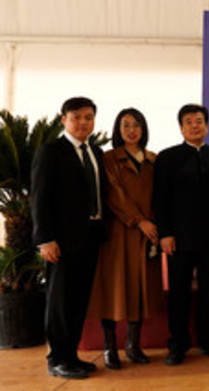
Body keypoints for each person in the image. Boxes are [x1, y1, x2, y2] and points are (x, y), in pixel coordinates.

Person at [31, 97, 106, 379]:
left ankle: (71, 355)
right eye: (76, 117)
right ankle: (57, 359)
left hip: (91, 238)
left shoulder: (96, 152)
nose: (83, 122)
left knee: (78, 301)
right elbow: (39, 198)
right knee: (60, 302)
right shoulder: (50, 152)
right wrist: (45, 239)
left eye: (88, 117)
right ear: (64, 120)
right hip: (60, 241)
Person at [87, 108, 163, 369]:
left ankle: (133, 345)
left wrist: (153, 224)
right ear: (118, 130)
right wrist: (139, 220)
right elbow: (113, 194)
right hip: (118, 234)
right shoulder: (109, 158)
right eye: (126, 125)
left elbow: (160, 196)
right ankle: (110, 348)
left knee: (139, 289)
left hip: (147, 234)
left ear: (144, 129)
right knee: (113, 291)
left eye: (137, 125)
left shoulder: (153, 160)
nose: (132, 130)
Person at [154, 104, 209, 365]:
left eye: (199, 121)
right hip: (179, 238)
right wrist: (165, 233)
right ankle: (178, 345)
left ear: (207, 126)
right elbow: (160, 199)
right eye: (189, 122)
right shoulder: (167, 157)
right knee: (179, 293)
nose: (195, 126)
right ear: (181, 127)